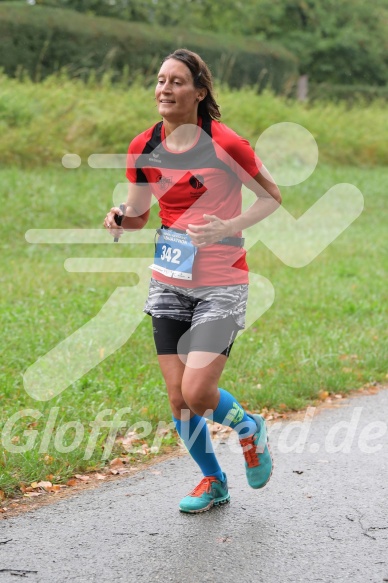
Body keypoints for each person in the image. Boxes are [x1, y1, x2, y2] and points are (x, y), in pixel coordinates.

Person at [104, 48, 282, 514]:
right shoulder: (144, 145)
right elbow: (140, 214)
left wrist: (227, 226)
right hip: (169, 278)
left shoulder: (227, 144)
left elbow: (271, 197)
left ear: (200, 92)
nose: (164, 88)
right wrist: (121, 218)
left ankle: (248, 429)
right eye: (161, 80)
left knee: (198, 392)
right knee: (177, 398)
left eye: (177, 81)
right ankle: (213, 480)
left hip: (221, 279)